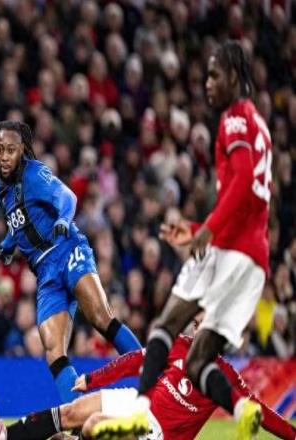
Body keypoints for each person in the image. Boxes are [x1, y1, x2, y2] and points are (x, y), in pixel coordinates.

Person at [136, 40, 273, 440]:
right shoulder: (260, 125)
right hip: (254, 257)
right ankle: (242, 409)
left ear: (234, 76)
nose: (207, 83)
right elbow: (249, 203)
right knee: (198, 362)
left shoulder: (234, 119)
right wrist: (199, 227)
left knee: (165, 326)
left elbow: (243, 180)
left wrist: (208, 230)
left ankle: (137, 410)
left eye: (215, 75)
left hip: (229, 249)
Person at [0, 119, 141, 402]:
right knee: (53, 348)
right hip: (45, 273)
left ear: (22, 151)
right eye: (0, 149)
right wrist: (7, 244)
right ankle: (77, 415)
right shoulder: (1, 190)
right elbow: (22, 222)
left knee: (100, 316)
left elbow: (67, 196)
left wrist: (64, 220)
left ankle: (153, 385)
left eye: (11, 150)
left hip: (67, 250)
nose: (4, 156)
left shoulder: (34, 173)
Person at [0, 315, 296, 440]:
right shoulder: (179, 345)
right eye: (198, 324)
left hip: (157, 433)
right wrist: (93, 379)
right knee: (73, 412)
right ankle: (2, 436)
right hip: (139, 404)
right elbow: (136, 361)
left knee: (92, 426)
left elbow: (261, 413)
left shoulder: (225, 377)